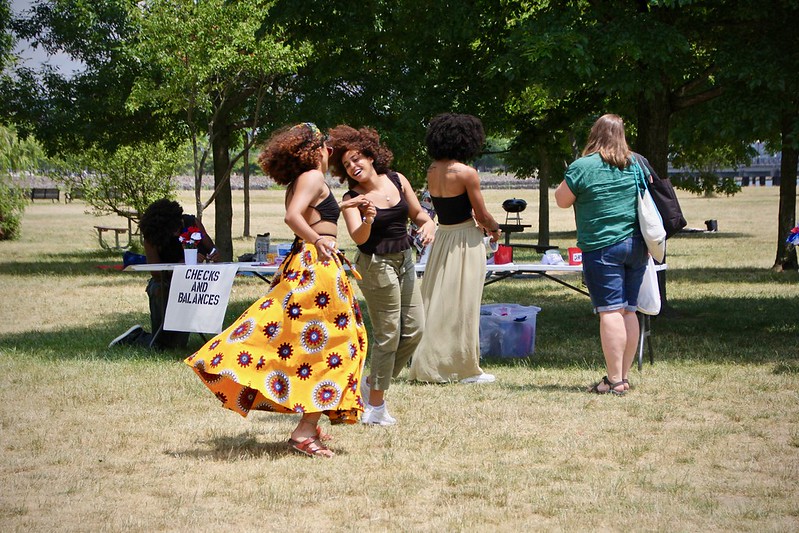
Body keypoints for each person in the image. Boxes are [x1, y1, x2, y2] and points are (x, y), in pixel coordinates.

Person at [183, 123, 370, 458]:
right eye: (325, 145)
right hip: (316, 269)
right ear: (314, 150)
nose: (330, 151)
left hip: (312, 265)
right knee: (338, 348)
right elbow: (293, 216)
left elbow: (306, 215)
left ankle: (309, 425)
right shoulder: (312, 177)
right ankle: (304, 431)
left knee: (314, 348)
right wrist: (318, 241)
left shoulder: (306, 180)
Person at [328, 124, 436, 425]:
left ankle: (371, 383)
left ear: (371, 156)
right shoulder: (354, 197)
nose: (353, 166)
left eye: (356, 159)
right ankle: (375, 408)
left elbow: (419, 214)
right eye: (347, 165)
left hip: (404, 259)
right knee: (388, 333)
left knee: (414, 330)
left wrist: (428, 225)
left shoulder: (397, 180)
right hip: (375, 264)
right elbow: (360, 238)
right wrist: (368, 218)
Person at [554, 113, 648, 395]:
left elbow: (561, 200)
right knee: (629, 310)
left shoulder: (583, 166)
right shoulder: (637, 164)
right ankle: (622, 377)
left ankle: (615, 380)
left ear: (594, 134)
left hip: (602, 246)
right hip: (636, 246)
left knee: (610, 312)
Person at [408, 113, 502, 384]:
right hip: (465, 239)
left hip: (443, 237)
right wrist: (495, 229)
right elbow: (481, 214)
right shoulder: (466, 172)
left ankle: (431, 362)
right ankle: (465, 368)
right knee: (464, 303)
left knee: (437, 301)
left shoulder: (433, 170)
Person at [109, 199, 220, 349]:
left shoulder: (191, 222)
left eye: (178, 226)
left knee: (175, 346)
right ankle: (142, 338)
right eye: (172, 229)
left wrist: (213, 254)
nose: (177, 231)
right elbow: (155, 272)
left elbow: (211, 247)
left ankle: (144, 338)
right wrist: (179, 267)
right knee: (158, 289)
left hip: (191, 282)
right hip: (164, 280)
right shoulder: (152, 236)